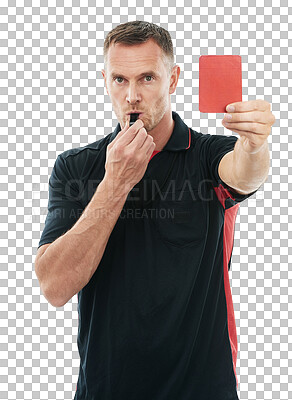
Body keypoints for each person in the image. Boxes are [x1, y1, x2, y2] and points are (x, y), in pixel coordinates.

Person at [34, 20, 275, 400]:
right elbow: (54, 287)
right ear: (105, 80)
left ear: (173, 79)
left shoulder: (207, 155)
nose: (132, 95)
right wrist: (114, 184)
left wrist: (254, 145)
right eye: (119, 80)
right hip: (106, 390)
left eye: (147, 78)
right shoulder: (75, 166)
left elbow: (244, 174)